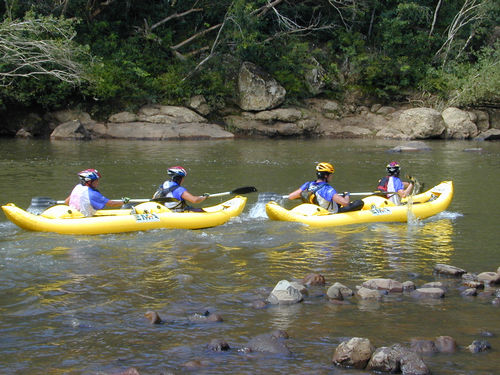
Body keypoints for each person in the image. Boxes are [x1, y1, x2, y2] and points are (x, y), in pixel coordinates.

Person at [287, 162, 364, 213]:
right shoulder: (327, 189)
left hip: (315, 211)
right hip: (329, 213)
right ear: (326, 176)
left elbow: (291, 197)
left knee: (337, 200)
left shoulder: (307, 185)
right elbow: (346, 203)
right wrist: (347, 195)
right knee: (359, 202)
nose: (332, 176)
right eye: (331, 174)